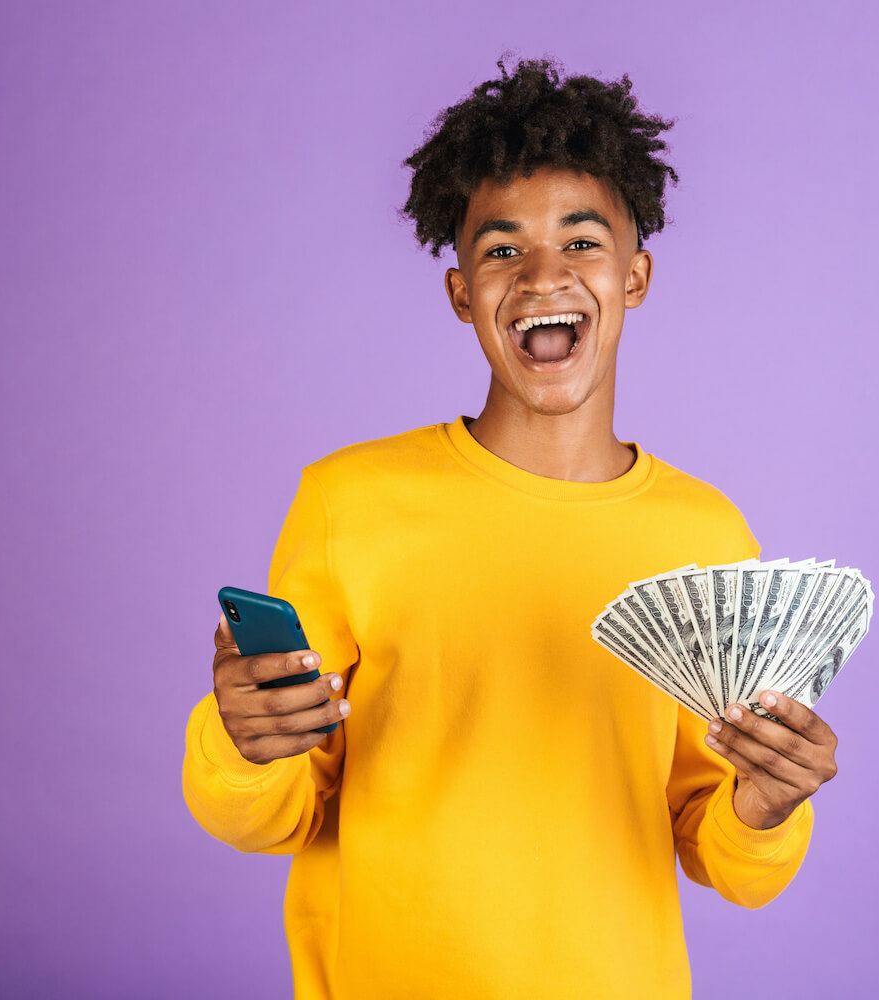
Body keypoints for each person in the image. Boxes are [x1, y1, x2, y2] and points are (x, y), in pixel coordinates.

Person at [181, 56, 840, 1000]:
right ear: (460, 293)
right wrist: (243, 745)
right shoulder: (349, 503)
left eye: (581, 242)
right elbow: (272, 816)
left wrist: (767, 808)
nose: (542, 275)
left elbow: (722, 853)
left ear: (635, 274)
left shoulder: (707, 532)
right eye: (501, 250)